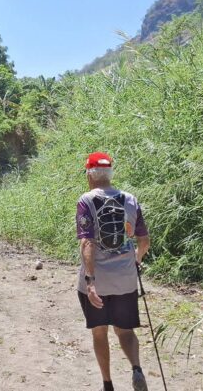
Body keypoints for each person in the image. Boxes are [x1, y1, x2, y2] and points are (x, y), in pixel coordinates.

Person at [76, 152, 150, 391]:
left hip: (99, 281)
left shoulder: (86, 201)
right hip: (125, 279)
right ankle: (136, 369)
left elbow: (87, 243)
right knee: (125, 331)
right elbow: (144, 240)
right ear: (110, 174)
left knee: (100, 333)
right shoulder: (130, 199)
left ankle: (107, 385)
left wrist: (90, 282)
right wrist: (136, 259)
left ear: (89, 175)